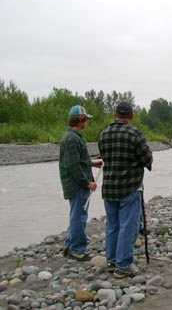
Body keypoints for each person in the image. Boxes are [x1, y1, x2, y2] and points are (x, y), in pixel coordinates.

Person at [98, 102, 153, 278]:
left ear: (115, 115)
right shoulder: (134, 133)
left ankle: (112, 261)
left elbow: (105, 157)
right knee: (128, 227)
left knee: (112, 226)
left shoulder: (103, 134)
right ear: (131, 116)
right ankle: (123, 266)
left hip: (109, 188)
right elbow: (147, 158)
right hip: (130, 187)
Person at [59, 105, 102, 261]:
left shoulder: (73, 137)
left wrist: (92, 163)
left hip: (77, 185)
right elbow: (73, 166)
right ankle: (77, 250)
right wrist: (87, 183)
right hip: (77, 186)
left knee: (76, 215)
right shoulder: (71, 139)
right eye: (86, 119)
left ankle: (70, 245)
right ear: (80, 120)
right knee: (79, 217)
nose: (87, 122)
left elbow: (77, 160)